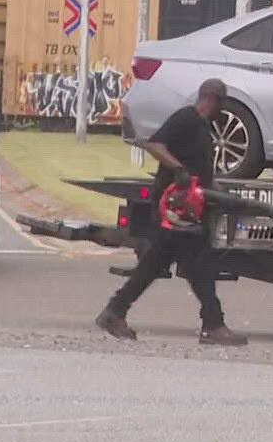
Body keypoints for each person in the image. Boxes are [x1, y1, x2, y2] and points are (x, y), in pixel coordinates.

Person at [96, 78, 248, 345]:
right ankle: (213, 324)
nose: (222, 110)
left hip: (188, 209)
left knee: (158, 264)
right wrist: (178, 170)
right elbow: (155, 144)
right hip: (173, 208)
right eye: (221, 103)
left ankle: (115, 311)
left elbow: (202, 173)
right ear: (212, 98)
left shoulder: (203, 127)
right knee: (199, 266)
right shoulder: (186, 119)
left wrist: (224, 194)